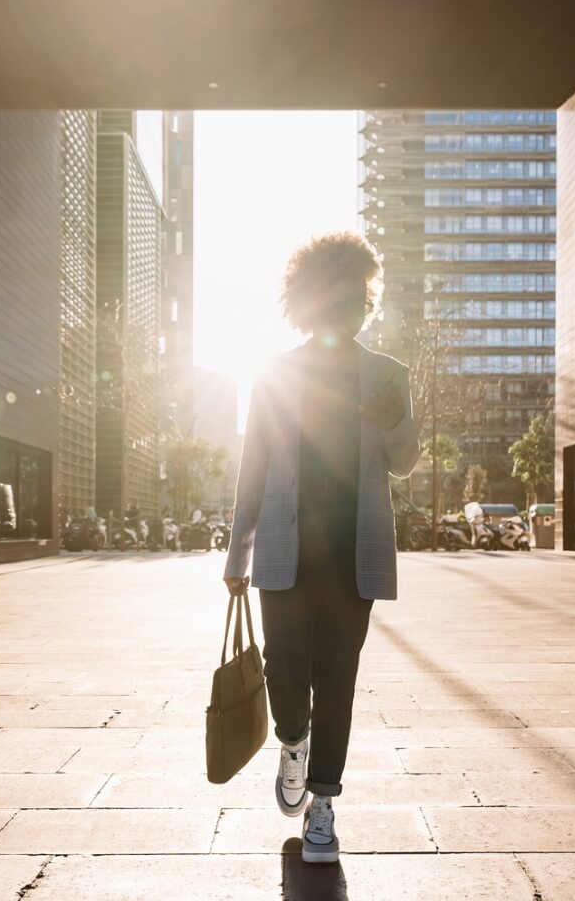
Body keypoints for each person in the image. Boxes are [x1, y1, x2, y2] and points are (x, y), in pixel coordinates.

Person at [222, 232, 419, 865]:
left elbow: (407, 463)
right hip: (285, 551)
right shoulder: (276, 374)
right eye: (340, 299)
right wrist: (236, 558)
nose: (352, 310)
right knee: (284, 666)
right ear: (310, 303)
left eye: (362, 299)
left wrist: (394, 422)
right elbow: (253, 468)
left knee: (337, 679)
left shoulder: (388, 374)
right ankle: (293, 738)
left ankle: (324, 805)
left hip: (351, 558)